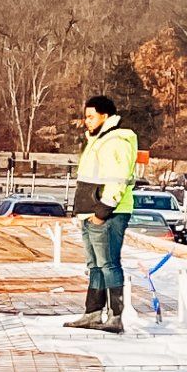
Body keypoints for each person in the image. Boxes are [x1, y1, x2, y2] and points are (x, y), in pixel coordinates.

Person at [66, 95, 138, 334]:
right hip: (90, 213)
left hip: (108, 213)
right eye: (85, 117)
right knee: (95, 265)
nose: (86, 121)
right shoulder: (97, 140)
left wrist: (102, 211)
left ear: (105, 116)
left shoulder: (115, 141)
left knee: (108, 264)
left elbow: (118, 180)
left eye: (91, 116)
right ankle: (93, 313)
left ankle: (115, 317)